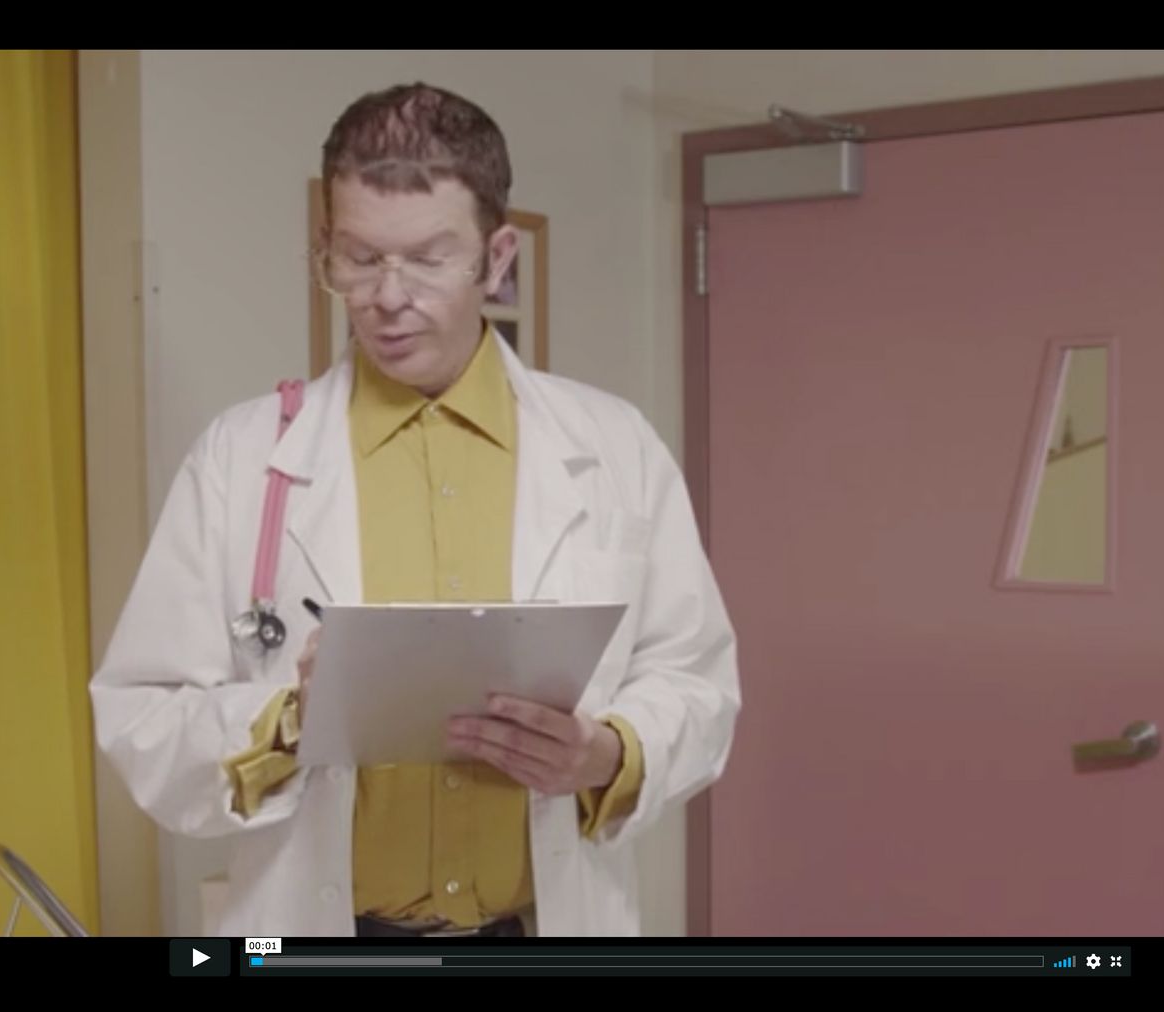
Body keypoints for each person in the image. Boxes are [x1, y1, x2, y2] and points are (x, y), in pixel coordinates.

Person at [89, 82, 740, 938]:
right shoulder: (240, 459)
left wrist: (606, 753)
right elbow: (142, 715)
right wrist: (288, 718)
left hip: (541, 923)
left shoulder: (615, 446)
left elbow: (698, 680)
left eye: (429, 259)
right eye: (358, 258)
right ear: (326, 248)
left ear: (496, 258)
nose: (387, 297)